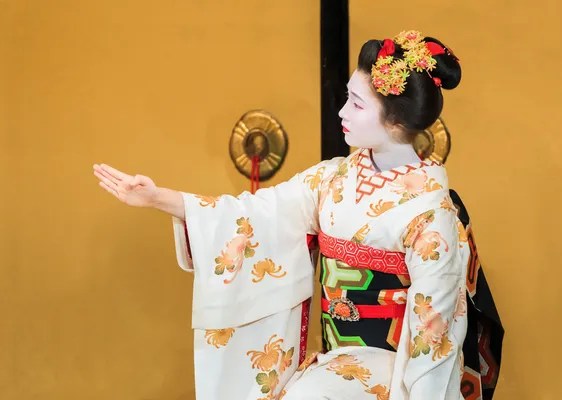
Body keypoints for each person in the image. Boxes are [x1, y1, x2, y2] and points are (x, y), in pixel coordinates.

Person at [93, 30, 503, 400]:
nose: (343, 112)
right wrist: (159, 198)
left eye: (356, 104)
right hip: (335, 363)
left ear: (395, 120)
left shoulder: (432, 215)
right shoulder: (333, 179)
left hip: (395, 373)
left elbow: (434, 337)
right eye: (347, 98)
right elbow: (255, 215)